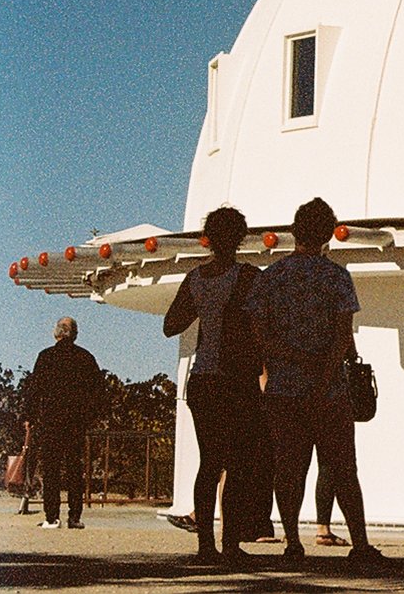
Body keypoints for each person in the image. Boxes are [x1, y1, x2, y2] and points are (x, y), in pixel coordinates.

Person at [245, 197, 383, 566]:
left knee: (289, 468)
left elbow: (258, 334)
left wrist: (289, 358)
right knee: (342, 467)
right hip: (329, 389)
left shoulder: (270, 277)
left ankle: (293, 540)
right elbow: (342, 335)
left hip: (283, 388)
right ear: (326, 235)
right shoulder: (337, 277)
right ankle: (361, 543)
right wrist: (323, 373)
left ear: (294, 231)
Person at [162, 206, 264, 565]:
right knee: (237, 464)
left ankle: (206, 544)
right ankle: (230, 543)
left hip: (203, 380)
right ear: (240, 238)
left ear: (208, 239)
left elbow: (171, 324)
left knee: (210, 463)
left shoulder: (196, 279)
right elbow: (260, 329)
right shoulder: (250, 278)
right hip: (237, 381)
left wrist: (204, 309)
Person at [24, 316, 104, 530]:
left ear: (57, 333)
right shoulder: (85, 357)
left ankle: (51, 517)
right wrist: (89, 417)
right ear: (75, 334)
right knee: (74, 471)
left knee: (51, 470)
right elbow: (99, 392)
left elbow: (35, 389)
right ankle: (75, 517)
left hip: (50, 421)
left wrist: (29, 416)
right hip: (76, 423)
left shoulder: (46, 357)